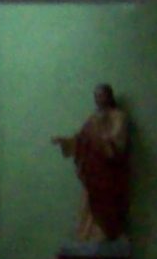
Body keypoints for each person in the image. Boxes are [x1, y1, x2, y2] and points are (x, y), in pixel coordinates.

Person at [52, 84, 134, 242]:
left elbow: (118, 143)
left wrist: (100, 140)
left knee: (108, 206)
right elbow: (82, 139)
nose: (98, 99)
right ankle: (88, 234)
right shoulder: (93, 119)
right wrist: (67, 142)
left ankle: (106, 233)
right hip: (94, 173)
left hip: (109, 173)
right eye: (96, 96)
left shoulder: (119, 116)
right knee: (89, 203)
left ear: (109, 96)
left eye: (101, 95)